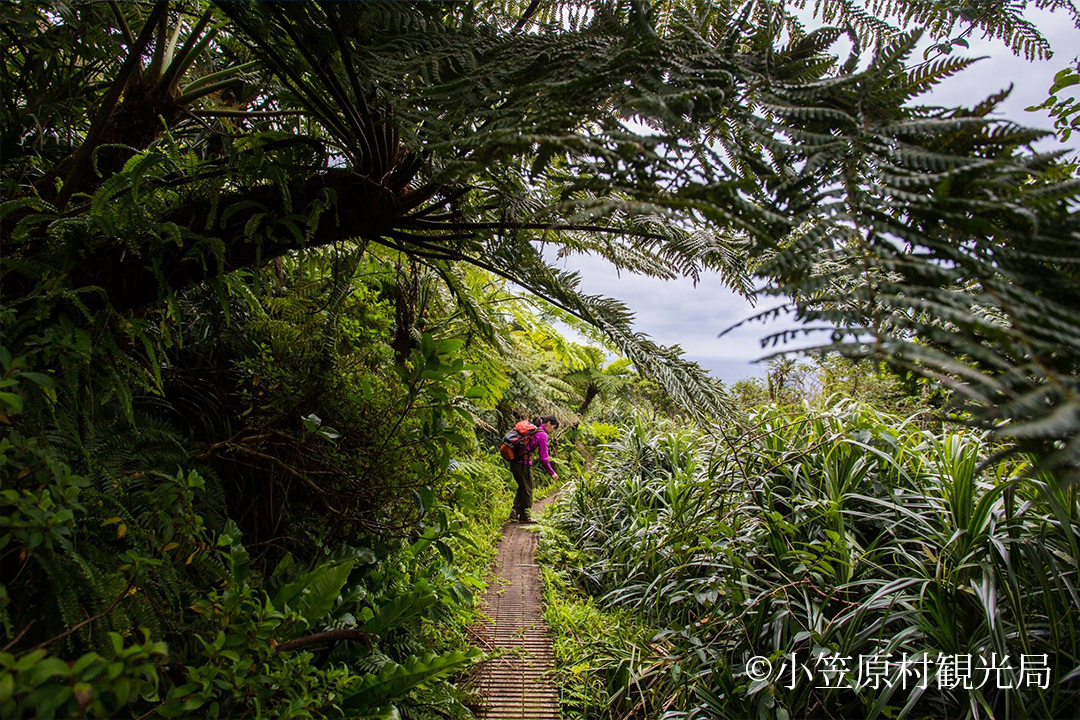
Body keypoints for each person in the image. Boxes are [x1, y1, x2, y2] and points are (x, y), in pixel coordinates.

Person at [509, 415, 559, 523]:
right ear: (549, 424)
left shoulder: (534, 429)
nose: (553, 431)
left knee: (523, 486)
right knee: (528, 489)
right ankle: (525, 516)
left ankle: (515, 511)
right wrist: (552, 473)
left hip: (514, 461)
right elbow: (544, 458)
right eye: (554, 428)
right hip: (523, 463)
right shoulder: (542, 435)